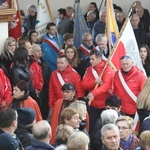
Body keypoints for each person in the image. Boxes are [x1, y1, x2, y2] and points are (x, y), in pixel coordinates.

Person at [81, 50, 114, 136]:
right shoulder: (89, 70)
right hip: (93, 104)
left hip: (105, 104)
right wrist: (94, 82)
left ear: (99, 59)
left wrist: (94, 93)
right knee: (91, 128)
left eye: (93, 59)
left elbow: (107, 85)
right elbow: (83, 85)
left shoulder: (107, 69)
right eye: (90, 59)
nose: (90, 61)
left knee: (105, 128)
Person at [32, 44, 52, 119]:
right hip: (38, 90)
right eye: (37, 51)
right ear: (32, 52)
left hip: (46, 88)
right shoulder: (31, 63)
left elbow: (49, 74)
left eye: (40, 50)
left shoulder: (44, 62)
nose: (40, 52)